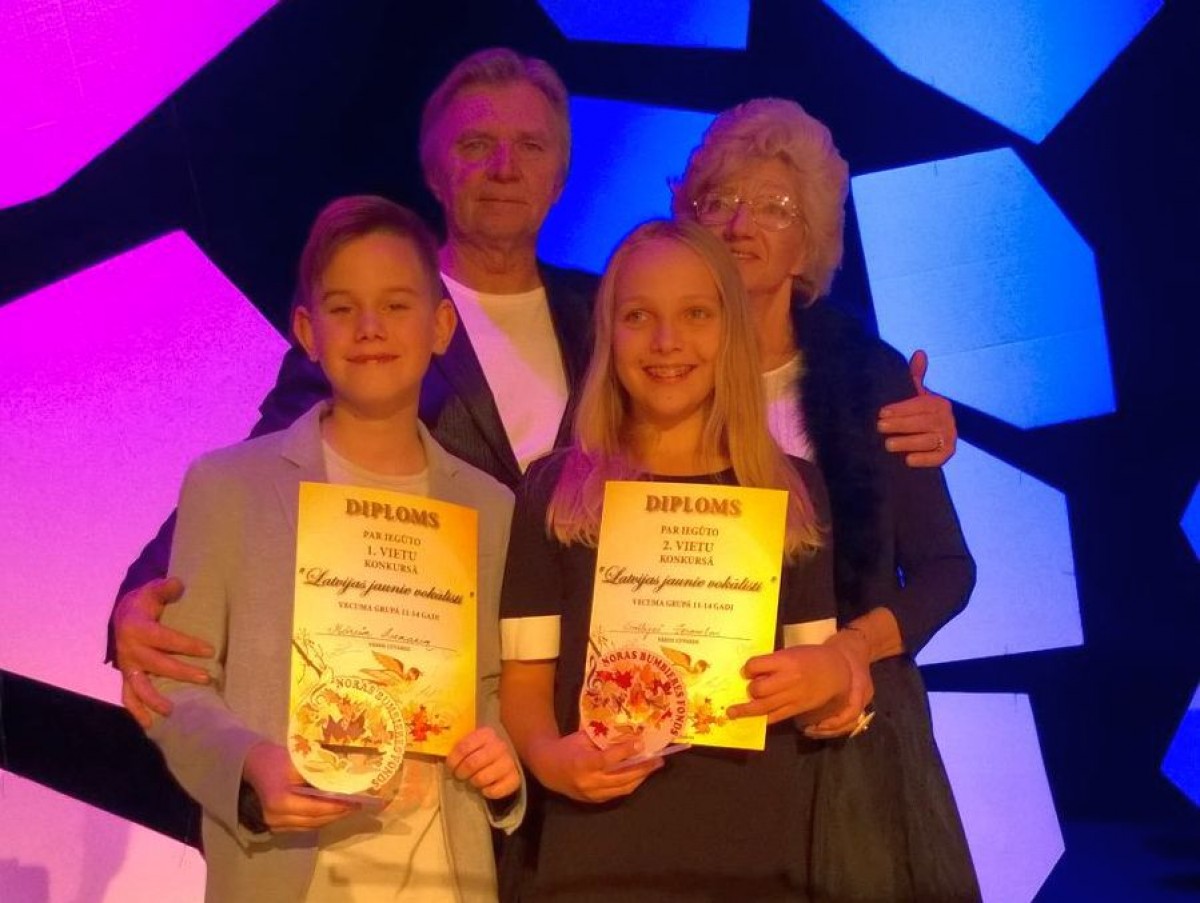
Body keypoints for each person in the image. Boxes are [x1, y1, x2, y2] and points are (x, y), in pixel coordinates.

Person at [109, 48, 957, 729]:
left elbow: (747, 374)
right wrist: (138, 596)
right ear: (435, 171)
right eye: (476, 145)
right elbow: (264, 464)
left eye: (532, 147)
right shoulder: (382, 323)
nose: (505, 167)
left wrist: (898, 407)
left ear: (560, 175)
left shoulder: (610, 313)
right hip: (441, 700)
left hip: (606, 709)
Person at [146, 196, 523, 902]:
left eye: (397, 305)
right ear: (307, 331)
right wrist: (247, 767)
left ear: (442, 326)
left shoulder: (490, 506)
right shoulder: (229, 487)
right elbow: (174, 682)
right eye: (343, 307)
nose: (370, 327)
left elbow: (496, 692)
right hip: (288, 872)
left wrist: (502, 761)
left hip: (444, 876)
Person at [674, 97, 980, 899]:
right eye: (720, 199)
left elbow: (947, 571)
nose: (741, 224)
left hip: (851, 746)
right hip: (695, 741)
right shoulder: (654, 368)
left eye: (774, 207)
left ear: (809, 238)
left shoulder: (867, 375)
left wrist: (851, 650)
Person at [498, 218, 852, 900]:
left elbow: (819, 689)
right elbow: (524, 683)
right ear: (608, 334)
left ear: (732, 330)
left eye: (695, 314)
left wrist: (828, 680)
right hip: (590, 851)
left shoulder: (794, 492)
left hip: (752, 855)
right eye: (638, 316)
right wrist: (548, 759)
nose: (667, 342)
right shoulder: (553, 490)